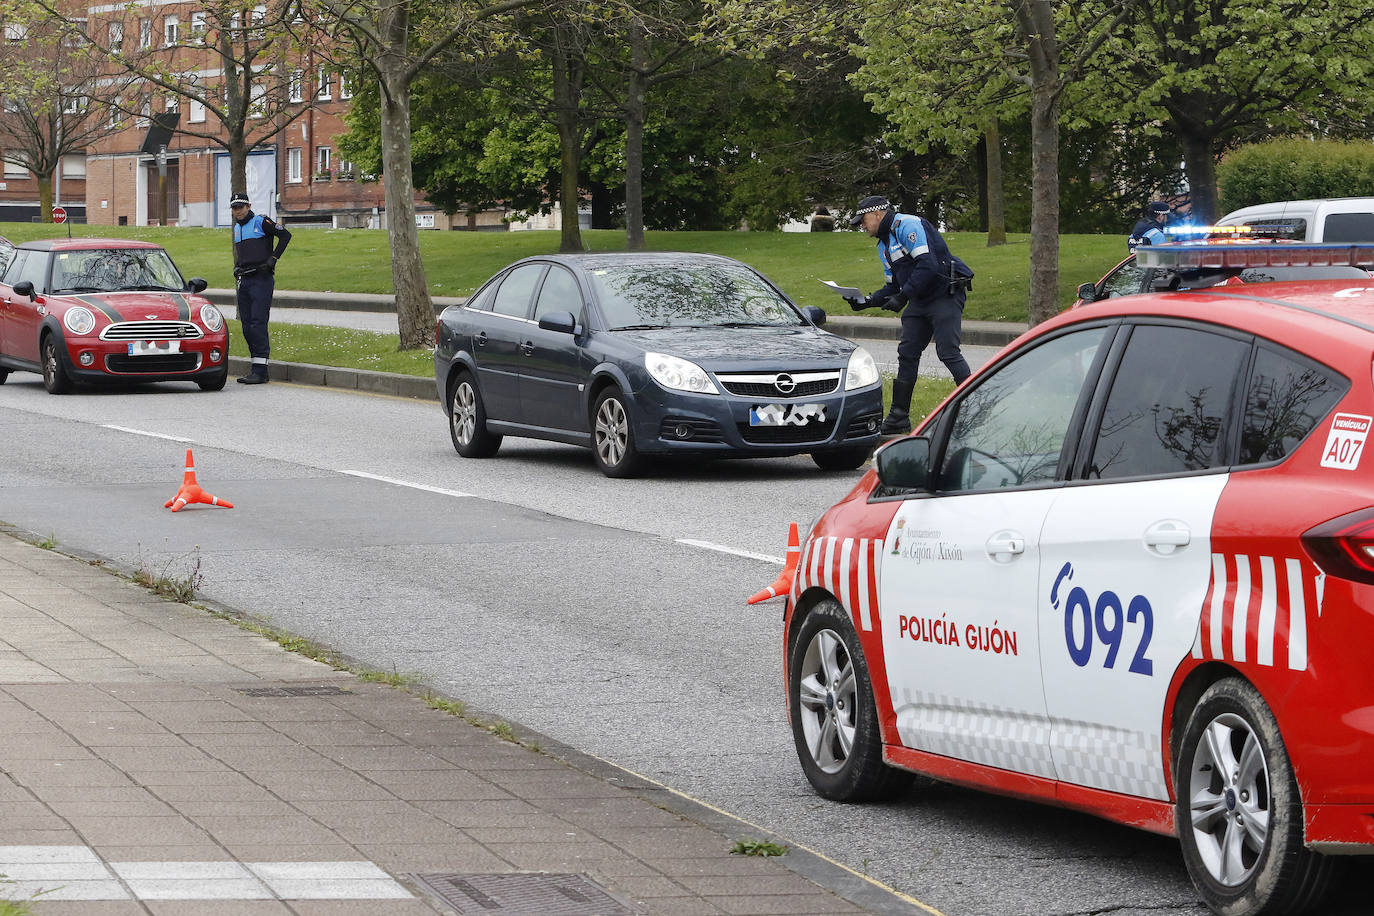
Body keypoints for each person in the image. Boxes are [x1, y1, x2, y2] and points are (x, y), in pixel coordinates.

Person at [847, 195, 973, 434]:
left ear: (877, 214)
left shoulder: (907, 225)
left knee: (947, 352)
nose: (862, 226)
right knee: (907, 354)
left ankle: (974, 408)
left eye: (863, 220)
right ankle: (898, 418)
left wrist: (903, 297)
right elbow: (893, 286)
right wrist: (867, 301)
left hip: (944, 295)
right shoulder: (884, 245)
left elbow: (929, 266)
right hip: (919, 299)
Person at [230, 194, 292, 384]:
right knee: (247, 325)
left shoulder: (261, 221)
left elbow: (285, 235)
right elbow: (244, 253)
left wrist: (272, 259)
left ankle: (260, 371)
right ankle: (256, 367)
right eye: (234, 208)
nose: (237, 211)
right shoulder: (237, 228)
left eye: (240, 207)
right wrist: (238, 266)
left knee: (257, 323)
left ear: (248, 206)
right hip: (245, 280)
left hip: (261, 279)